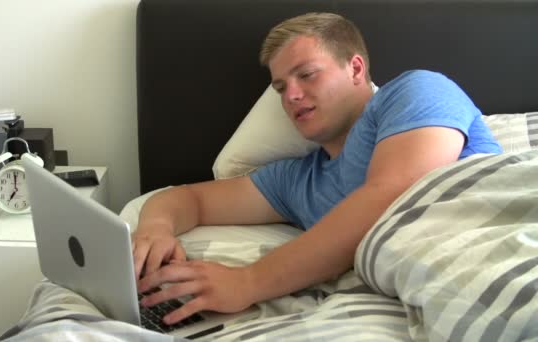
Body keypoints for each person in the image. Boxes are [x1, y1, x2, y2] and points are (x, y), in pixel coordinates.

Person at [131, 12, 502, 325]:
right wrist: (154, 230)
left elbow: (394, 196)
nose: (290, 95)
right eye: (280, 86)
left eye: (306, 74)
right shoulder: (297, 182)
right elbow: (189, 199)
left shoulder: (416, 91)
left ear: (356, 68)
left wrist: (247, 282)